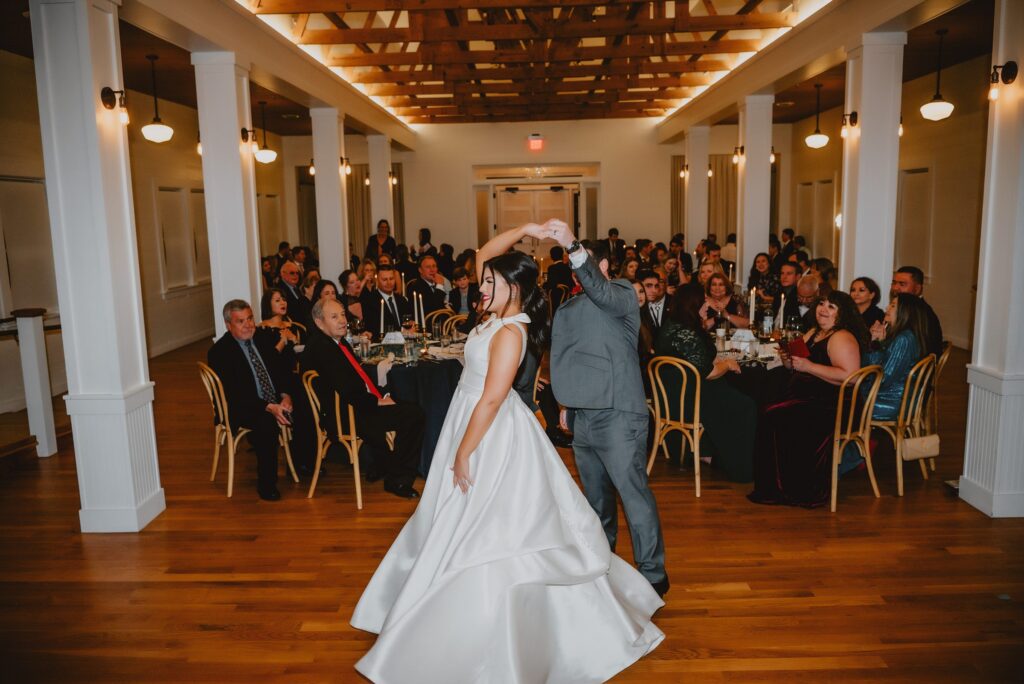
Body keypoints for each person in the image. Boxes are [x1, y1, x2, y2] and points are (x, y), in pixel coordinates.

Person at [351, 221, 664, 682]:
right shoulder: (493, 316)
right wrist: (526, 229)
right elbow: (483, 252)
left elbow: (494, 398)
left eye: (489, 282)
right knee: (450, 519)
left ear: (512, 286)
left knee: (490, 527)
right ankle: (426, 601)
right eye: (482, 281)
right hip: (471, 417)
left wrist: (463, 452)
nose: (481, 286)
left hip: (491, 431)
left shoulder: (512, 330)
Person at [548, 223, 670, 597]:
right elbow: (563, 358)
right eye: (572, 266)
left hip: (619, 414)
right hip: (583, 416)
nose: (574, 272)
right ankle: (604, 563)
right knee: (597, 502)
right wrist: (566, 404)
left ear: (601, 267)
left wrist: (571, 243)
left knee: (632, 494)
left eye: (581, 264)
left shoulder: (620, 294)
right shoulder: (568, 307)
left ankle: (653, 574)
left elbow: (599, 290)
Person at [749, 291, 867, 507]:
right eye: (822, 304)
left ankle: (797, 488)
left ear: (842, 314)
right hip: (808, 397)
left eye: (831, 307)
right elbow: (795, 365)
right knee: (767, 409)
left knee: (774, 415)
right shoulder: (814, 332)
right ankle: (777, 485)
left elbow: (850, 377)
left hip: (834, 404)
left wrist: (810, 367)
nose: (823, 309)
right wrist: (787, 359)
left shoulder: (842, 337)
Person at [303, 298, 423, 500]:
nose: (342, 320)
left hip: (353, 407)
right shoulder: (322, 348)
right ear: (319, 322)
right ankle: (398, 477)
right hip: (346, 415)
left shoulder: (335, 343)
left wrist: (379, 396)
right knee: (414, 415)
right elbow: (347, 389)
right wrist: (377, 401)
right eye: (334, 317)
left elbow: (355, 381)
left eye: (342, 314)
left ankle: (384, 464)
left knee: (404, 405)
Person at [653, 283, 756, 482]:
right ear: (693, 304)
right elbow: (709, 373)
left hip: (678, 392)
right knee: (746, 406)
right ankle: (738, 465)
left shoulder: (675, 324)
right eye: (703, 302)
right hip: (689, 398)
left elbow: (698, 360)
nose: (707, 305)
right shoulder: (685, 332)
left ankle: (714, 454)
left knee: (735, 391)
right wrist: (727, 364)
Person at [207, 300, 297, 501]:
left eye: (250, 319)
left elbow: (281, 371)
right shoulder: (220, 352)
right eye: (241, 321)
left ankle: (304, 464)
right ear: (228, 325)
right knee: (265, 424)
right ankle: (267, 484)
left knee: (305, 401)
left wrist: (285, 396)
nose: (248, 325)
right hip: (242, 405)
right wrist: (269, 407)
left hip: (272, 400)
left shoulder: (262, 338)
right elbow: (235, 394)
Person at [839, 293, 932, 475]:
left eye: (893, 306)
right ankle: (855, 451)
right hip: (893, 395)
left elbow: (884, 378)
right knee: (844, 399)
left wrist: (862, 380)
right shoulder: (901, 336)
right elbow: (878, 368)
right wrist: (877, 342)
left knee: (843, 404)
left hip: (892, 401)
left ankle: (850, 456)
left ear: (905, 312)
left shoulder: (904, 339)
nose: (887, 308)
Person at [890, 266, 943, 357]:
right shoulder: (901, 309)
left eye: (902, 284)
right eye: (894, 283)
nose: (895, 288)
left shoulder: (922, 313)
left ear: (917, 289)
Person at [364, 265, 412, 339]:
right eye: (384, 279)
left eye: (391, 279)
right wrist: (402, 331)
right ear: (377, 280)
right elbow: (374, 329)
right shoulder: (370, 301)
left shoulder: (402, 300)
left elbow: (409, 321)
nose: (389, 282)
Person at [277, 260, 310, 327]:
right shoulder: (279, 290)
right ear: (283, 274)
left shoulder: (297, 288)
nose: (295, 275)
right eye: (292, 273)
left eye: (297, 273)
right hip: (290, 325)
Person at [638, 269, 669, 339]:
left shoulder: (650, 307)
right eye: (649, 286)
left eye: (656, 286)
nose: (654, 290)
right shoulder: (632, 310)